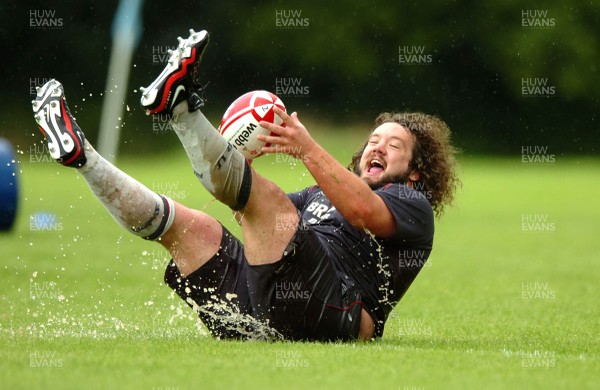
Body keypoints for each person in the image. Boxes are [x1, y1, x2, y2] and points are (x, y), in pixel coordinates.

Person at [32, 29, 459, 341]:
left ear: (416, 169)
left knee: (268, 204)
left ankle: (180, 110)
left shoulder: (410, 203)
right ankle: (84, 158)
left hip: (336, 314)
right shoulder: (316, 197)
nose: (377, 146)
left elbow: (362, 212)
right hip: (262, 313)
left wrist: (304, 149)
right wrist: (242, 160)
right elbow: (251, 213)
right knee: (191, 227)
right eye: (373, 139)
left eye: (394, 144)